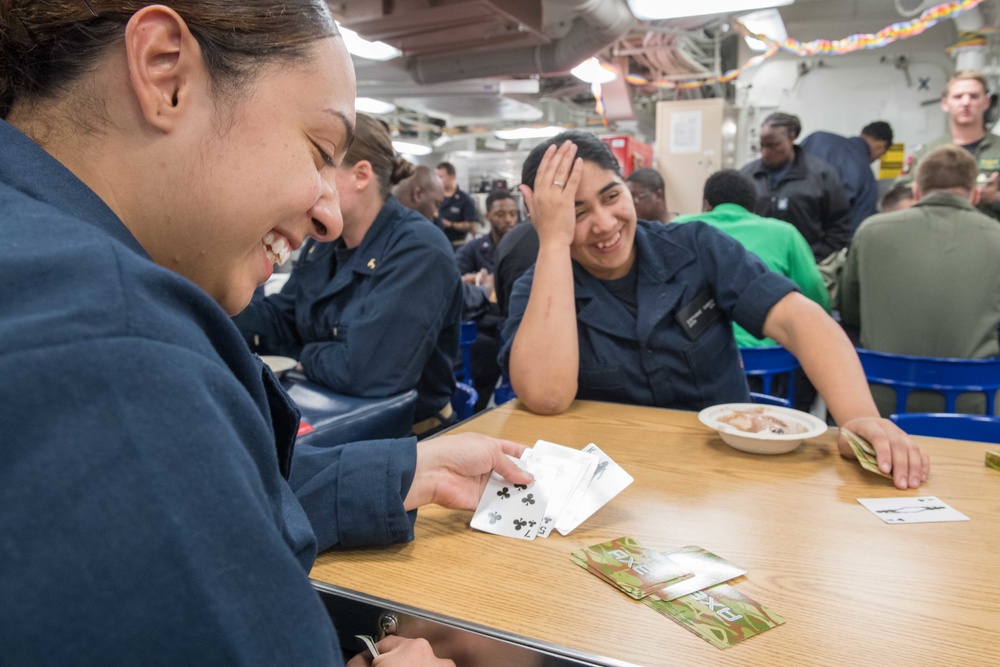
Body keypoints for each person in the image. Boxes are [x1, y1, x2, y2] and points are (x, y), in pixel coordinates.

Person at [0, 3, 532, 665]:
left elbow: (208, 496)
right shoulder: (115, 347)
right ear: (165, 72)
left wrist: (403, 471)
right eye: (317, 150)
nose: (330, 217)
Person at [500, 131, 928, 490]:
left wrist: (859, 420)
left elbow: (800, 321)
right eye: (576, 214)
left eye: (612, 196)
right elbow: (547, 396)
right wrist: (553, 240)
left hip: (726, 482)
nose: (606, 223)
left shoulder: (697, 247)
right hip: (608, 490)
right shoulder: (538, 290)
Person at [234, 113, 462, 432]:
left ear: (361, 175)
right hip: (328, 419)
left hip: (407, 441)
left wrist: (302, 354)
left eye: (317, 170)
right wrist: (216, 309)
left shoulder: (419, 249)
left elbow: (367, 371)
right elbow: (281, 321)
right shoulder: (326, 244)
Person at [839, 144, 1000, 414]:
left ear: (916, 191)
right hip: (974, 407)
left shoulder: (871, 232)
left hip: (879, 403)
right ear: (974, 195)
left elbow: (850, 312)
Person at [672, 169, 830, 348]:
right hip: (767, 363)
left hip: (693, 358)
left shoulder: (677, 228)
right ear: (753, 209)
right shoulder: (785, 234)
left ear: (706, 205)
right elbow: (814, 293)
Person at [741, 112, 852, 262]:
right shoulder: (747, 176)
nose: (766, 152)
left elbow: (839, 225)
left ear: (791, 138)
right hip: (757, 263)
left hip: (804, 263)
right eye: (762, 145)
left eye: (773, 145)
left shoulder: (821, 175)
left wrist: (816, 260)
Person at [897, 70, 1000, 220]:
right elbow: (897, 198)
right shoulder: (927, 153)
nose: (966, 102)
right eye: (958, 97)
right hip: (936, 236)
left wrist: (995, 198)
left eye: (974, 96)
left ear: (986, 102)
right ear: (945, 103)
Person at [455, 189, 519, 411]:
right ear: (488, 216)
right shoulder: (474, 249)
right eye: (501, 214)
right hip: (484, 324)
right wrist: (477, 281)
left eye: (513, 213)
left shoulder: (524, 246)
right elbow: (454, 280)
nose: (508, 219)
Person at [801, 121, 894, 232]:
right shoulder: (866, 176)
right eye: (882, 154)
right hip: (822, 240)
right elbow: (861, 227)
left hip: (789, 223)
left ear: (862, 133)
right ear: (881, 145)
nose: (878, 159)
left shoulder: (817, 138)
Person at [437, 161, 481, 248]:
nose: (438, 180)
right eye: (436, 177)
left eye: (441, 177)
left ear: (452, 177)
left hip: (456, 246)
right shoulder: (435, 197)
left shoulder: (465, 199)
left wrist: (450, 224)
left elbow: (472, 226)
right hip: (438, 245)